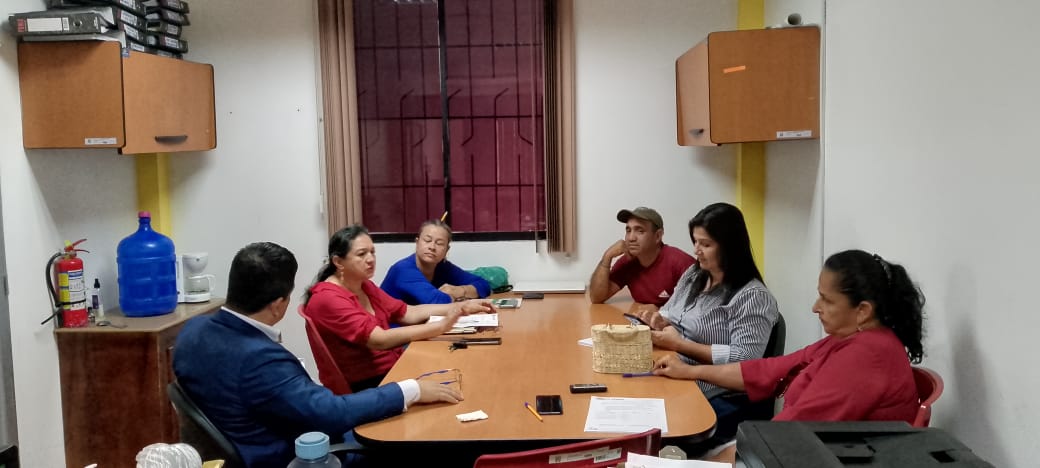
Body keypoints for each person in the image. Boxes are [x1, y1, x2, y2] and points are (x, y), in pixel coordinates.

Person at [173, 242, 464, 468]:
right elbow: (330, 413)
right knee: (432, 442)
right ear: (278, 304)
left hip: (256, 434)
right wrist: (412, 389)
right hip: (299, 455)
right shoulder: (261, 359)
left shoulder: (193, 330)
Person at [653, 249, 925, 464]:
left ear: (863, 310)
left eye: (827, 300)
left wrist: (719, 461)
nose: (815, 307)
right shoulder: (848, 340)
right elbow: (770, 370)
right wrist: (690, 371)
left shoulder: (867, 356)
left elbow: (791, 433)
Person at [634, 202, 779, 445]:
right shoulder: (695, 274)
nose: (697, 250)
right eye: (695, 242)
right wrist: (658, 319)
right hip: (675, 372)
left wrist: (680, 345)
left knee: (648, 432)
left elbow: (746, 361)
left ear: (729, 247)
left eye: (706, 244)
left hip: (714, 391)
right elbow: (671, 311)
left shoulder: (753, 297)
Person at [303, 224, 494, 392]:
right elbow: (379, 340)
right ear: (338, 262)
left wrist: (462, 306)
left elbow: (407, 312)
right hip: (370, 384)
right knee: (457, 380)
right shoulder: (328, 298)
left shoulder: (364, 284)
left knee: (466, 370)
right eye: (362, 254)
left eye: (372, 252)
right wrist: (441, 326)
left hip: (394, 365)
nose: (370, 259)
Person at [589, 206, 695, 306]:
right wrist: (607, 257)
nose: (631, 238)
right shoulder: (627, 262)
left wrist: (662, 312)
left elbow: (700, 307)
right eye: (628, 230)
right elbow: (596, 298)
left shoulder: (681, 262)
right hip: (642, 319)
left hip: (670, 320)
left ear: (658, 236)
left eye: (640, 231)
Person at [381, 220, 491, 304]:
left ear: (447, 250)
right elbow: (437, 301)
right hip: (391, 326)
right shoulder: (403, 269)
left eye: (439, 243)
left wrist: (459, 291)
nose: (432, 247)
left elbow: (483, 285)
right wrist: (460, 296)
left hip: (426, 324)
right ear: (417, 242)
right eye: (427, 240)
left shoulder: (443, 266)